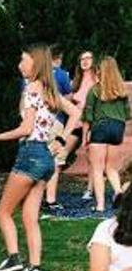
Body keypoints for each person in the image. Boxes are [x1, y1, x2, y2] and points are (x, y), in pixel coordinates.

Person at [0, 44, 79, 271]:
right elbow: (76, 113)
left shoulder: (31, 88)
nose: (19, 65)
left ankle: (14, 259)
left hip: (30, 153)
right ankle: (34, 269)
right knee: (29, 217)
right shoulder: (49, 89)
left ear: (35, 62)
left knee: (4, 211)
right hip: (45, 157)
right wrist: (61, 139)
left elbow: (25, 129)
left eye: (23, 60)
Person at [82, 56, 131, 214]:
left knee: (97, 168)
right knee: (111, 168)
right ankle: (118, 191)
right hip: (118, 128)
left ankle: (100, 205)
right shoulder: (122, 93)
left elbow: (88, 116)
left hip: (101, 127)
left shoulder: (95, 90)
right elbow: (128, 115)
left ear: (100, 71)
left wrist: (85, 137)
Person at [43, 44, 76, 213]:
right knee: (55, 161)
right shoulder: (62, 75)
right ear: (59, 58)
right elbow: (69, 98)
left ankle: (32, 196)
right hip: (56, 121)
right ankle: (50, 199)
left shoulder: (35, 74)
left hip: (35, 123)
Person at [71, 51, 99, 201]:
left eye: (88, 58)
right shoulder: (77, 80)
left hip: (91, 122)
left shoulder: (97, 79)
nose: (85, 61)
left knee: (91, 158)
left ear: (94, 60)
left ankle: (90, 189)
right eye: (82, 58)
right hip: (75, 123)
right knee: (61, 151)